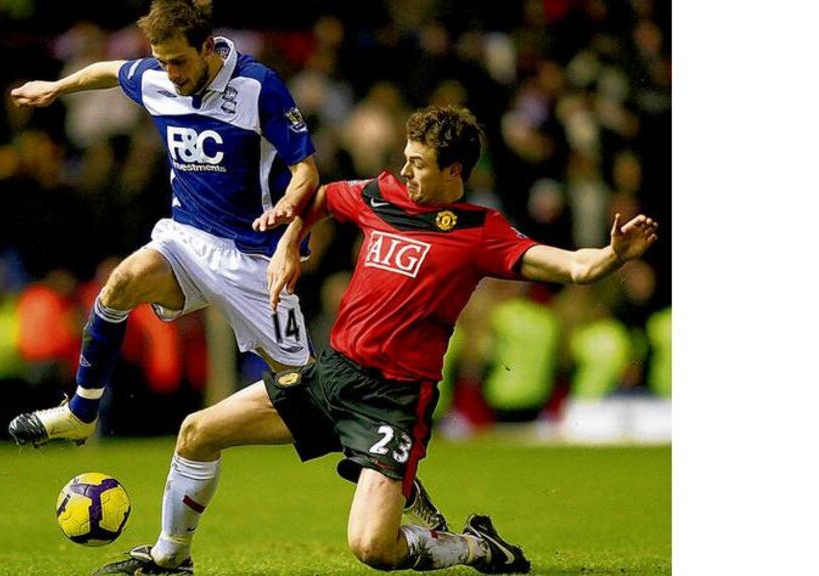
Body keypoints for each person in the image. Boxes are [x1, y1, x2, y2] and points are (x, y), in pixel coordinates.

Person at [91, 105, 658, 575]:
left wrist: (612, 256)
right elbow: (324, 197)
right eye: (405, 160)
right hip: (330, 374)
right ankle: (170, 558)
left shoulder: (481, 233)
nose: (405, 172)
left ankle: (474, 546)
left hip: (393, 401)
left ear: (454, 171)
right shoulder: (382, 194)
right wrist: (292, 240)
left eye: (418, 164)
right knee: (197, 432)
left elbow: (573, 267)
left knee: (373, 549)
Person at [6, 0, 450, 534]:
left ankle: (395, 479)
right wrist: (57, 85)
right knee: (121, 283)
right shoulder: (157, 78)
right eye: (161, 62)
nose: (169, 74)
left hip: (252, 261)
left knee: (312, 399)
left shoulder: (258, 88)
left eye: (179, 62)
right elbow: (108, 71)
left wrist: (290, 207)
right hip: (187, 240)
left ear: (208, 49)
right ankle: (80, 412)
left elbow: (305, 170)